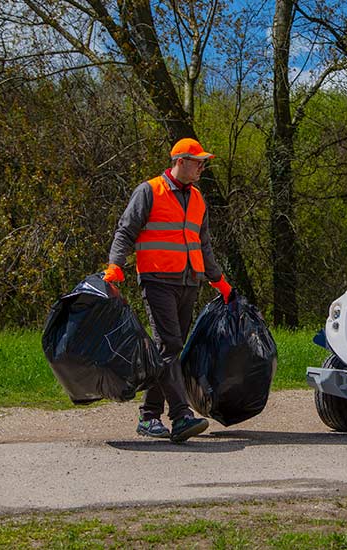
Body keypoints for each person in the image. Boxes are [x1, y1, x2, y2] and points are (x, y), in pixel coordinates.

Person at [103, 138, 234, 442]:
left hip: (189, 282)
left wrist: (220, 282)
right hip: (157, 279)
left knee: (169, 351)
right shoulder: (149, 191)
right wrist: (115, 266)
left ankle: (149, 417)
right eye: (197, 160)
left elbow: (204, 245)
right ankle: (181, 415)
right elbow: (125, 230)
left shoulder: (199, 199)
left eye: (203, 161)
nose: (201, 166)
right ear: (180, 161)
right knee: (170, 345)